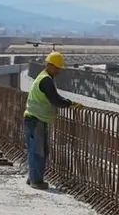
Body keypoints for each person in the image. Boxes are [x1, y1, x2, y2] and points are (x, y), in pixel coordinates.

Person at [23, 51, 81, 190]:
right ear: (49, 65)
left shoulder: (44, 77)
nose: (59, 71)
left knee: (35, 149)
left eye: (60, 68)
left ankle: (32, 178)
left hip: (33, 118)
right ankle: (36, 180)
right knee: (39, 150)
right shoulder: (46, 80)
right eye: (57, 67)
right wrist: (70, 103)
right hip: (37, 119)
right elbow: (55, 99)